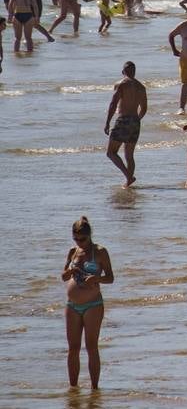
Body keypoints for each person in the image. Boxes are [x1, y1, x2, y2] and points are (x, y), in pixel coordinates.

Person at [62, 217, 113, 388]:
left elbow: (110, 278)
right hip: (72, 305)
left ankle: (94, 389)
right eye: (75, 239)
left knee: (91, 346)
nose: (79, 242)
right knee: (73, 348)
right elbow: (63, 277)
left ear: (90, 236)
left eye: (82, 239)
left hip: (93, 304)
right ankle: (73, 389)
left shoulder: (100, 251)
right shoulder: (73, 251)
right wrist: (70, 270)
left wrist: (96, 278)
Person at [104, 61, 147, 187]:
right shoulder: (141, 87)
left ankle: (129, 177)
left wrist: (107, 122)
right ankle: (128, 183)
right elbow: (144, 108)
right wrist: (137, 119)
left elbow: (113, 104)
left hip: (123, 119)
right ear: (134, 71)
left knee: (111, 152)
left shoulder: (121, 84)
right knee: (129, 155)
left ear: (123, 72)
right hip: (135, 121)